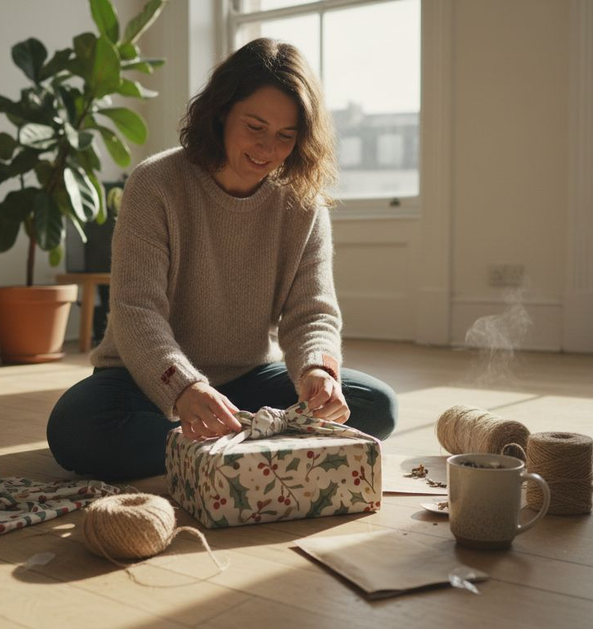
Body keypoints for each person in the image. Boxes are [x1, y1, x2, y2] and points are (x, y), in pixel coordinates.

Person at [46, 37, 397, 481]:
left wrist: (317, 370)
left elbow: (312, 312)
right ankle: (260, 449)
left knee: (376, 406)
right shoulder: (155, 184)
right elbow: (137, 310)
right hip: (146, 378)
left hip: (249, 378)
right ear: (221, 112)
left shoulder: (303, 203)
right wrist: (185, 388)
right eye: (255, 127)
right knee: (75, 428)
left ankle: (213, 448)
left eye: (285, 136)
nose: (267, 149)